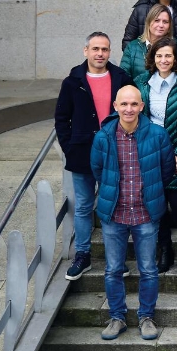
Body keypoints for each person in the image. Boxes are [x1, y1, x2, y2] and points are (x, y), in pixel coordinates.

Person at [90, 86, 175, 341]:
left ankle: (146, 316)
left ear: (141, 106)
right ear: (115, 106)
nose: (129, 109)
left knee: (148, 269)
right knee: (113, 269)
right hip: (114, 214)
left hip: (145, 213)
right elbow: (97, 169)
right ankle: (117, 317)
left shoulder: (157, 135)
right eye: (124, 104)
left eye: (134, 104)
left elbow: (166, 170)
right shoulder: (103, 137)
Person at [57, 32, 133, 280]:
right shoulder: (73, 82)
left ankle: (116, 259)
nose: (100, 53)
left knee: (114, 206)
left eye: (105, 49)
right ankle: (83, 255)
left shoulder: (121, 78)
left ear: (110, 52)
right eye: (96, 49)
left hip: (115, 153)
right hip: (82, 152)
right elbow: (61, 118)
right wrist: (69, 146)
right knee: (83, 207)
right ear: (86, 50)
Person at [134, 37, 177, 274]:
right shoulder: (142, 83)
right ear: (153, 58)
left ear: (175, 58)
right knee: (156, 205)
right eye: (159, 56)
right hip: (151, 153)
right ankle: (165, 251)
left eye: (168, 55)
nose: (164, 60)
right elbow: (140, 120)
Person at [121, 4, 177, 82]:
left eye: (165, 22)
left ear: (169, 26)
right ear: (148, 22)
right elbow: (123, 78)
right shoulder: (132, 47)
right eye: (156, 20)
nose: (161, 25)